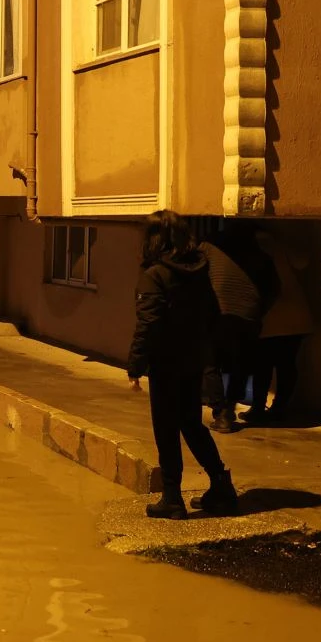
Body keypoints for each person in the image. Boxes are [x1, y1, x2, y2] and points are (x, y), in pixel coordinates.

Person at [128, 211, 238, 519]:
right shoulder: (198, 269)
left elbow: (148, 322)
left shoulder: (155, 274)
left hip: (166, 361)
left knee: (166, 427)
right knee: (190, 423)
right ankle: (220, 484)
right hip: (193, 359)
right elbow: (213, 312)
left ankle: (172, 496)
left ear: (152, 239)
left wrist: (136, 364)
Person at [200, 223, 277, 433]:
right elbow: (274, 289)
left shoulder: (208, 247)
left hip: (218, 313)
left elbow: (196, 276)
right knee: (240, 366)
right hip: (248, 316)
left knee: (210, 363)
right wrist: (258, 311)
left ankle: (219, 411)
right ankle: (228, 411)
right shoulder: (261, 256)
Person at [249, 229, 315, 421]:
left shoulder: (253, 249)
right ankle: (279, 407)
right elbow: (303, 262)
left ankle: (258, 407)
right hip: (293, 317)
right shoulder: (280, 245)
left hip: (267, 316)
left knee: (262, 365)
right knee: (286, 364)